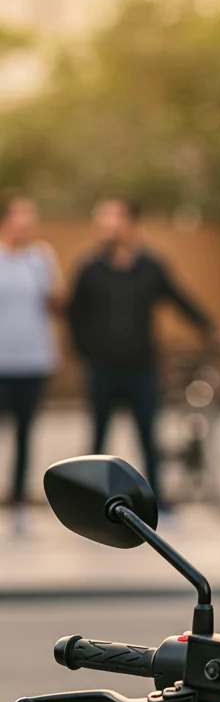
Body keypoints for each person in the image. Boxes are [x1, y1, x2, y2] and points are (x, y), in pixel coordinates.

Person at [68, 198, 220, 509]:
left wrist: (211, 327)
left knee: (148, 436)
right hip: (102, 369)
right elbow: (74, 315)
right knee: (98, 439)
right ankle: (92, 502)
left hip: (141, 367)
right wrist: (84, 352)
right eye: (103, 221)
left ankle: (153, 499)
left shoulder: (150, 267)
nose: (108, 227)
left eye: (114, 219)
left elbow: (179, 298)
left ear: (129, 223)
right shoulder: (89, 269)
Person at [0, 192, 64, 536]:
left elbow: (56, 301)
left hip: (34, 361)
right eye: (21, 215)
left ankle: (20, 505)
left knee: (25, 435)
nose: (27, 222)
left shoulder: (40, 257)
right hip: (1, 363)